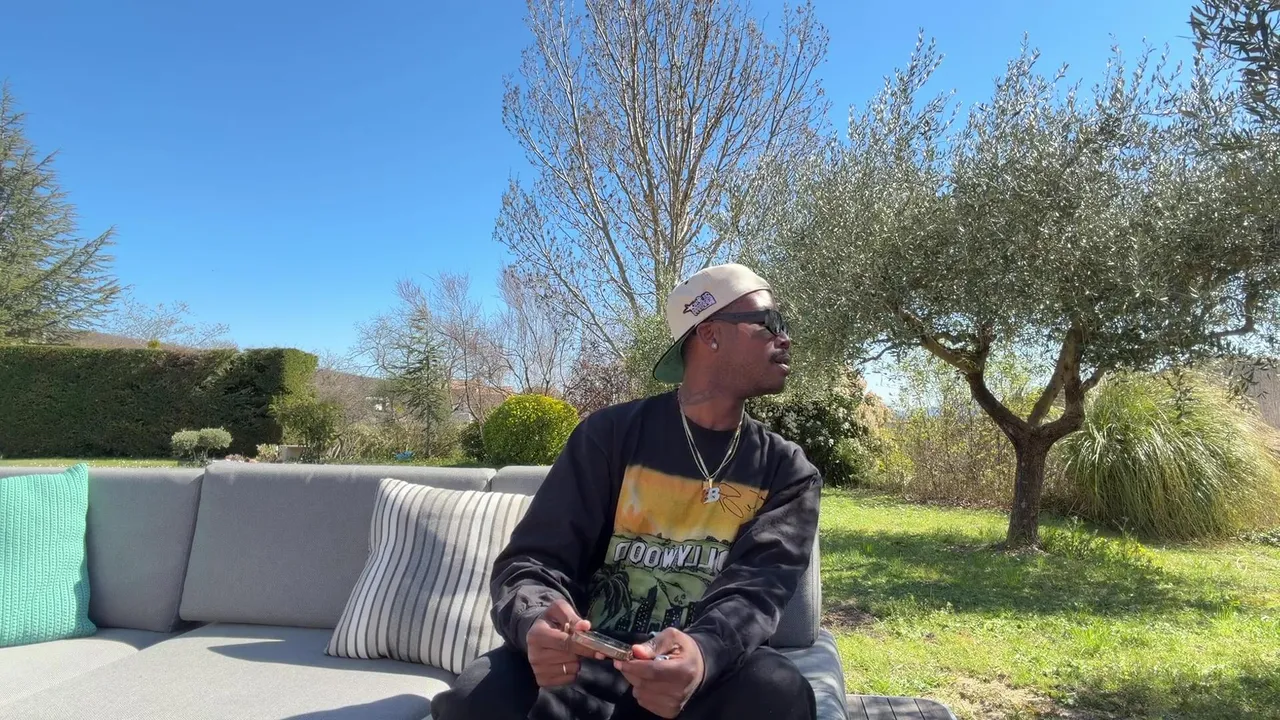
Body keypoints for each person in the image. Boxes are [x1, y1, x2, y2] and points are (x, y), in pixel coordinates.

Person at [431, 264, 822, 720]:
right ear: (711, 334)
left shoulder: (787, 471)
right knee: (474, 699)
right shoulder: (609, 436)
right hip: (587, 662)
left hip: (706, 674)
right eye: (770, 322)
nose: (785, 338)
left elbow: (757, 589)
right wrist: (535, 618)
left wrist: (702, 654)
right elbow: (534, 559)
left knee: (780, 693)